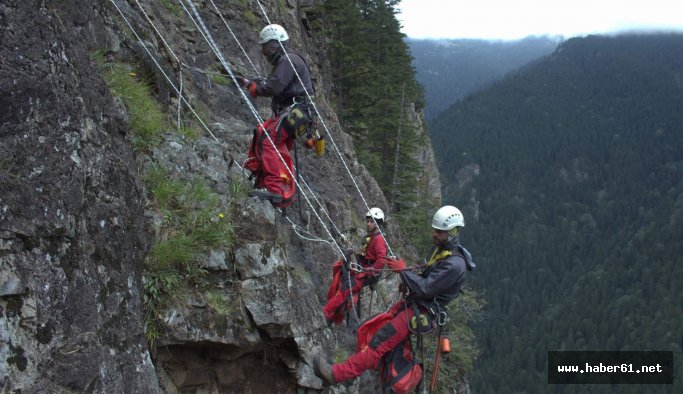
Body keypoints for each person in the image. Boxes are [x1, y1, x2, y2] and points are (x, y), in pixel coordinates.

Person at [313, 205, 470, 386]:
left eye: (439, 231)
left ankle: (337, 375)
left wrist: (403, 271)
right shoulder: (443, 252)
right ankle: (351, 374)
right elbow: (428, 280)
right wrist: (408, 281)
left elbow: (426, 288)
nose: (434, 234)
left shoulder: (454, 265)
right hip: (414, 305)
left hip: (419, 311)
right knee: (373, 332)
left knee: (378, 343)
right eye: (435, 229)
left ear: (451, 232)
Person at [240, 24, 315, 207]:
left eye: (265, 48)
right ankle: (264, 180)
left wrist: (256, 89)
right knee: (262, 132)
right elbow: (276, 84)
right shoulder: (288, 61)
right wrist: (253, 83)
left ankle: (275, 189)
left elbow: (275, 87)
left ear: (273, 44)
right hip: (294, 113)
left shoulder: (288, 60)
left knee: (269, 141)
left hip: (296, 111)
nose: (264, 52)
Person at [323, 207, 388, 326]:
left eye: (372, 221)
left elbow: (381, 260)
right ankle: (333, 315)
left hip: (367, 273)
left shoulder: (378, 239)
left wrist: (369, 270)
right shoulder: (372, 236)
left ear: (378, 223)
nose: (368, 223)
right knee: (342, 278)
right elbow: (369, 254)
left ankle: (325, 314)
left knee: (344, 290)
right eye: (368, 221)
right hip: (364, 268)